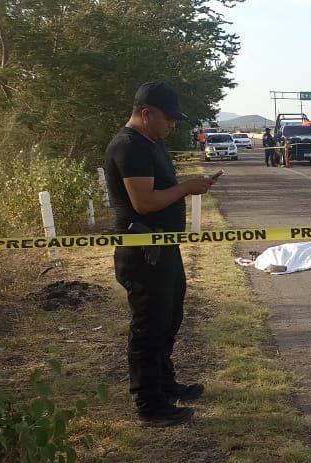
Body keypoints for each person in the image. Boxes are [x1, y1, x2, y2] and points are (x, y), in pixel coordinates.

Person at [104, 82, 221, 427]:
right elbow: (144, 202)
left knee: (169, 318)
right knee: (149, 327)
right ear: (146, 113)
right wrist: (187, 187)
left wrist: (189, 182)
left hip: (163, 247)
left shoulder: (150, 143)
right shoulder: (129, 146)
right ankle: (149, 403)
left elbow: (158, 187)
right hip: (142, 252)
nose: (172, 125)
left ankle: (165, 384)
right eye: (168, 119)